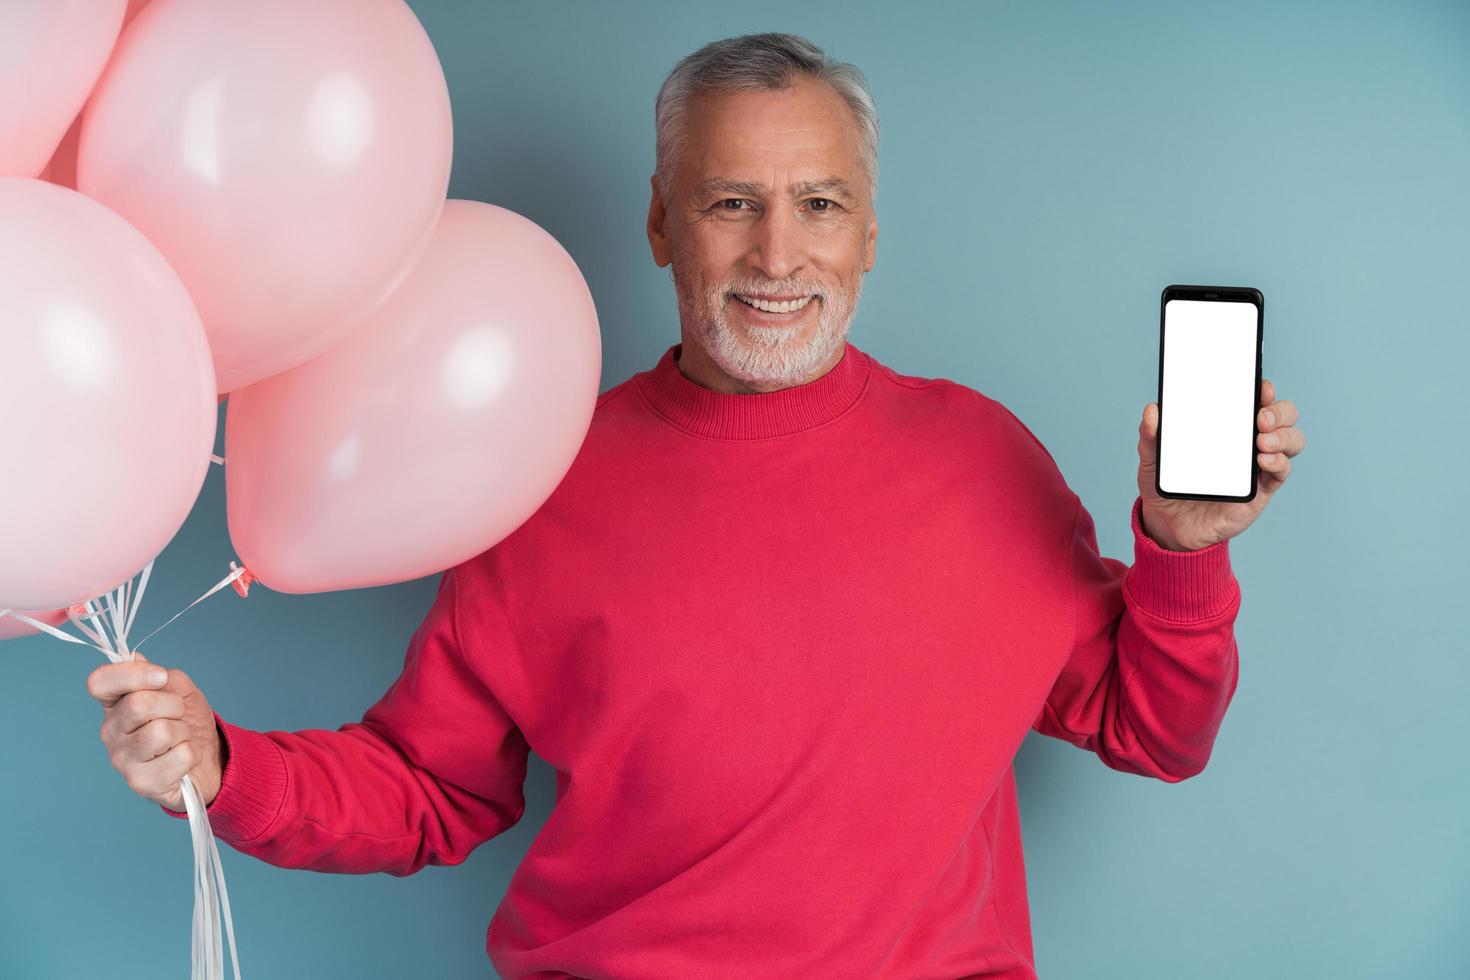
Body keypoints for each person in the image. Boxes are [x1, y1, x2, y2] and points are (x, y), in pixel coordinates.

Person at [88, 32, 1305, 979]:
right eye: (733, 203)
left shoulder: (984, 457)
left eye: (819, 203)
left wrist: (1182, 547)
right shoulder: (545, 474)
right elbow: (428, 786)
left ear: (869, 231)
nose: (779, 255)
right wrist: (226, 762)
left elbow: (1155, 730)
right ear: (664, 221)